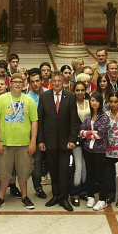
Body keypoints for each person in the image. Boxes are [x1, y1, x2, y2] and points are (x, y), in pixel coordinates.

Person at [0, 73, 38, 210]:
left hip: (24, 144)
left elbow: (34, 122)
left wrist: (33, 141)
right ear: (9, 84)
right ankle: (0, 197)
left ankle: (25, 197)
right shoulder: (1, 100)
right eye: (14, 81)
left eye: (20, 82)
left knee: (23, 172)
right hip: (5, 144)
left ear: (23, 84)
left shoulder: (29, 100)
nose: (17, 84)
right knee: (4, 172)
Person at [37, 71, 80, 212]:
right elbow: (40, 120)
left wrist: (72, 139)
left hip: (65, 141)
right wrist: (41, 140)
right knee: (53, 170)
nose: (56, 83)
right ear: (51, 81)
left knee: (64, 171)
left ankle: (63, 198)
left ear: (63, 82)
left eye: (59, 81)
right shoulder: (44, 96)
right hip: (49, 141)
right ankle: (55, 195)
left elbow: (74, 121)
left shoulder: (71, 97)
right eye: (54, 81)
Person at [79, 92, 110, 210]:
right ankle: (90, 196)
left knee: (101, 175)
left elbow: (101, 134)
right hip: (87, 150)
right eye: (92, 100)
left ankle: (103, 199)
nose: (94, 103)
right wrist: (91, 133)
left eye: (96, 101)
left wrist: (87, 134)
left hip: (99, 150)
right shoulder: (88, 117)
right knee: (90, 173)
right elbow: (80, 132)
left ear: (100, 102)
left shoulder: (104, 117)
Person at [70, 82, 90, 206]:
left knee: (85, 167)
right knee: (78, 167)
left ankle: (83, 190)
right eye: (77, 90)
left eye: (82, 90)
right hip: (76, 139)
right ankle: (74, 193)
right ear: (74, 91)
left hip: (88, 139)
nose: (80, 93)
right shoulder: (71, 104)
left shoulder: (89, 102)